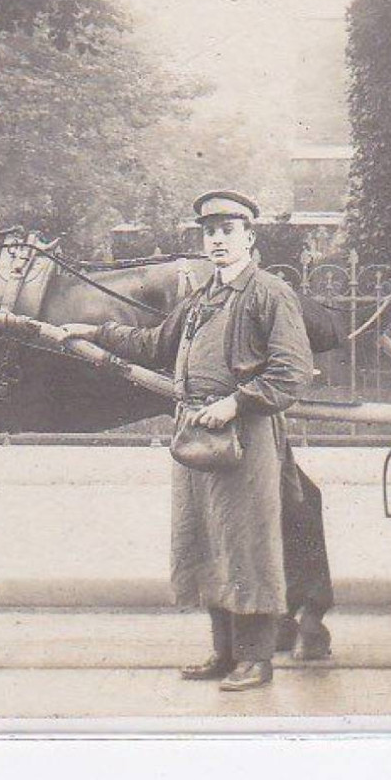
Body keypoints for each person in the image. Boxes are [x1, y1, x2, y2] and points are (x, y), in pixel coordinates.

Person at [66, 190, 314, 691]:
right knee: (204, 540)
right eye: (210, 232)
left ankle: (257, 659)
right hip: (196, 432)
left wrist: (237, 403)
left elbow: (291, 373)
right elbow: (154, 344)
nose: (218, 240)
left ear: (250, 236)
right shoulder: (199, 299)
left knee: (247, 542)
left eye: (228, 230)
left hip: (245, 435)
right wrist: (92, 332)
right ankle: (223, 654)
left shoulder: (268, 293)